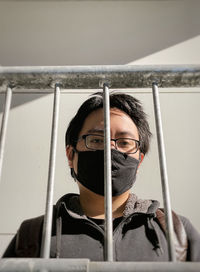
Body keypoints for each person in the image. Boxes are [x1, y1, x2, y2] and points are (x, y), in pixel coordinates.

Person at [3, 92, 200, 261]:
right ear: (71, 156)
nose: (110, 149)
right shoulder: (35, 235)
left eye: (124, 142)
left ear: (138, 161)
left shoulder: (175, 231)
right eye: (97, 140)